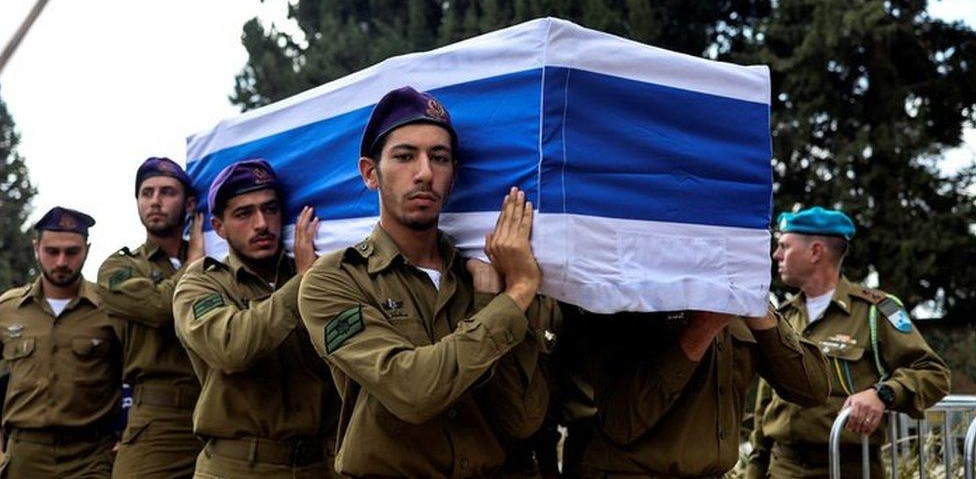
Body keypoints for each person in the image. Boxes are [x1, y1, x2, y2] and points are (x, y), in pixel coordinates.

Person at [298, 86, 559, 476]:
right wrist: (517, 293)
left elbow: (521, 419)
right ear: (370, 173)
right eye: (405, 156)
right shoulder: (334, 281)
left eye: (439, 158)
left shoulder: (482, 275)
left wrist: (491, 297)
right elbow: (414, 391)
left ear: (454, 174)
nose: (424, 173)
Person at [746, 206, 951, 479]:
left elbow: (934, 374)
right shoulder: (782, 316)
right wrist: (754, 471)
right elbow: (765, 406)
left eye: (784, 246)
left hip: (848, 468)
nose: (776, 255)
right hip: (783, 468)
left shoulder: (875, 311)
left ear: (815, 251)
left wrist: (884, 393)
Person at [172, 159, 340, 478]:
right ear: (219, 227)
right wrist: (305, 283)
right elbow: (231, 348)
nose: (262, 223)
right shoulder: (202, 282)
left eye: (270, 209)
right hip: (237, 466)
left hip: (318, 464)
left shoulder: (316, 270)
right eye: (244, 214)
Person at [579, 297, 829, 474]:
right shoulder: (634, 294)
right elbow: (622, 422)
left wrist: (760, 311)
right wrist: (703, 328)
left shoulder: (742, 299)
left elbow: (812, 390)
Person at [96, 157, 204, 478]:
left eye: (167, 192)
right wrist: (196, 262)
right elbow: (160, 308)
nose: (154, 201)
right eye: (146, 193)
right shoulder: (119, 268)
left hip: (224, 409)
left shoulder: (219, 254)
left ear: (190, 204)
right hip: (160, 419)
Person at [0, 207, 122, 478]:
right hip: (25, 454)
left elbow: (138, 373)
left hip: (90, 456)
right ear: (36, 248)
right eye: (52, 251)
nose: (61, 262)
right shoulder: (8, 309)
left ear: (87, 250)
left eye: (72, 251)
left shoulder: (111, 309)